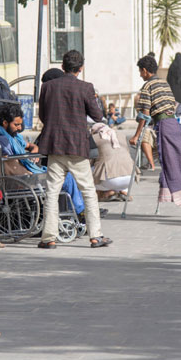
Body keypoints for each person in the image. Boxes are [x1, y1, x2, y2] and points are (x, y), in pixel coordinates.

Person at [35, 50, 110, 249]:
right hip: (77, 146)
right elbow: (97, 116)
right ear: (81, 68)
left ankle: (48, 238)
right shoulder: (85, 88)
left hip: (54, 146)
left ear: (63, 66)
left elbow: (43, 115)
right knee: (88, 191)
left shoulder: (48, 87)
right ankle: (95, 236)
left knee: (52, 191)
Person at [0, 103, 85, 215]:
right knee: (67, 178)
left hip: (28, 175)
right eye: (16, 125)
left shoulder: (14, 137)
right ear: (5, 123)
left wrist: (34, 151)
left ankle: (75, 212)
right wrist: (34, 175)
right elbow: (11, 167)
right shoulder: (3, 140)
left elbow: (31, 146)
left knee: (66, 175)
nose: (19, 128)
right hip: (22, 180)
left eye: (20, 124)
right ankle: (79, 212)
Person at [131, 55, 181, 206]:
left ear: (144, 71)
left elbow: (145, 114)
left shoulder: (147, 87)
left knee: (170, 161)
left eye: (140, 71)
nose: (140, 75)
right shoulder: (164, 83)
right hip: (174, 125)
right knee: (179, 159)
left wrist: (136, 136)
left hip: (163, 125)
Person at [91, 122, 135, 201]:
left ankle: (108, 192)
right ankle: (123, 191)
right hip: (130, 179)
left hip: (111, 180)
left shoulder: (94, 138)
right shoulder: (121, 136)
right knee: (117, 167)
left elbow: (90, 159)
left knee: (88, 170)